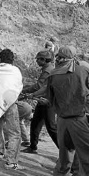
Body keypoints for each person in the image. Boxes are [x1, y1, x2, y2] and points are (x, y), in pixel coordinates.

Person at [46, 46, 89, 175]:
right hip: (79, 120)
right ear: (74, 57)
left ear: (59, 57)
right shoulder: (83, 71)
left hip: (62, 121)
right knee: (85, 156)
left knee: (64, 157)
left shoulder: (52, 74)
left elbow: (50, 99)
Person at [21, 50, 58, 154]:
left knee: (51, 128)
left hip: (47, 102)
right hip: (42, 101)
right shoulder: (48, 69)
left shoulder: (48, 70)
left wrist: (24, 90)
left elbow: (39, 86)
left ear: (44, 60)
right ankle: (33, 147)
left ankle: (64, 153)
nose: (36, 61)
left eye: (38, 59)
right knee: (35, 124)